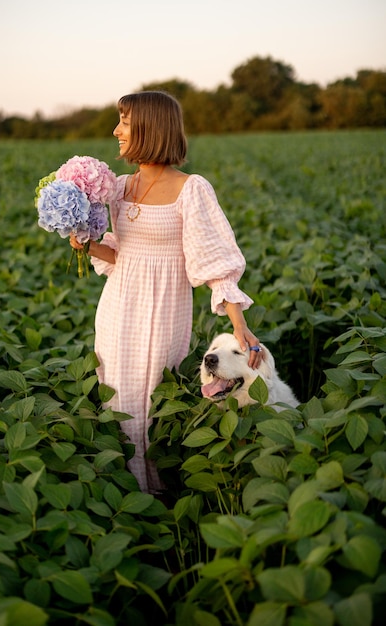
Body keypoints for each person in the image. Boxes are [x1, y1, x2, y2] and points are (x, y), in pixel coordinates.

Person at [70, 91, 262, 494]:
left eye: (123, 121)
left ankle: (161, 492)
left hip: (164, 310)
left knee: (156, 397)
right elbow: (119, 255)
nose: (115, 130)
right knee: (116, 393)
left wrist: (239, 324)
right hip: (118, 307)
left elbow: (214, 263)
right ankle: (121, 490)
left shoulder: (191, 189)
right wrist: (85, 243)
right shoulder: (120, 187)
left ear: (149, 128)